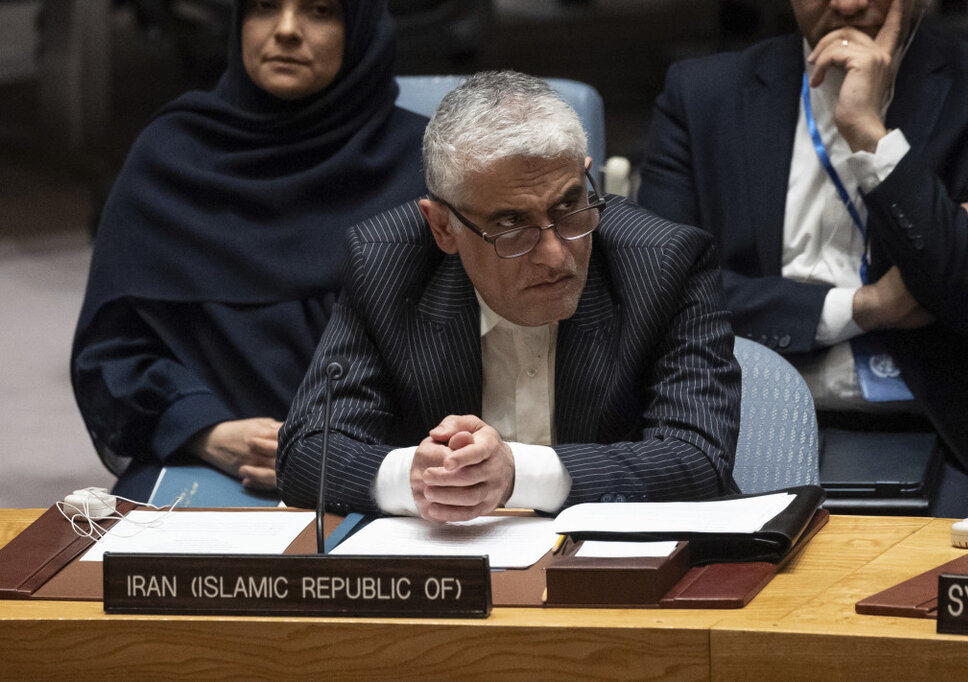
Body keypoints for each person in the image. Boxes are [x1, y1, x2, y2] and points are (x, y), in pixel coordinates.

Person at [278, 71, 741, 521]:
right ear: (444, 227)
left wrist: (515, 473)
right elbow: (306, 453)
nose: (555, 256)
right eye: (510, 224)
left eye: (568, 206)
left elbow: (698, 459)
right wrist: (414, 477)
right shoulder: (387, 265)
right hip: (452, 558)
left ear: (586, 178)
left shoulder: (664, 264)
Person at [639, 0, 968, 516]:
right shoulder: (703, 94)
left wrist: (872, 137)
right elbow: (660, 295)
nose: (848, 4)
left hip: (932, 424)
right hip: (737, 418)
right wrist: (866, 307)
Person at [71, 0, 428, 499]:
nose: (286, 30)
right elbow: (110, 354)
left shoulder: (426, 166)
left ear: (360, 27)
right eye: (264, 7)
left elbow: (467, 353)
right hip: (210, 464)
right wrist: (204, 430)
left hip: (384, 471)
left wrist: (349, 463)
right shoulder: (171, 158)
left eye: (319, 10)